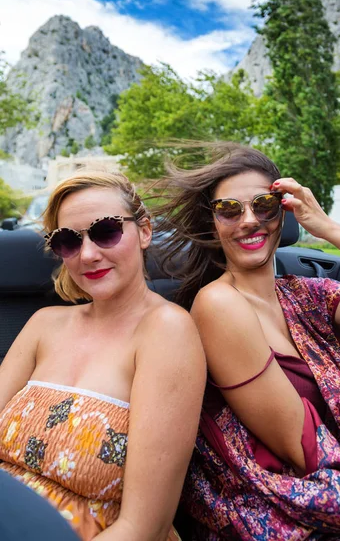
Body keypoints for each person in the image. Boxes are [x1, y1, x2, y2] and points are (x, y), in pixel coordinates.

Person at [155, 142, 340, 539]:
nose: (248, 220)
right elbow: (298, 448)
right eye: (230, 210)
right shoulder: (218, 304)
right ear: (213, 223)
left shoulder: (303, 294)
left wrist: (328, 228)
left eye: (264, 205)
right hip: (293, 499)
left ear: (283, 211)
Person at [0, 170, 206, 541]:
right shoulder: (43, 324)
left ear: (144, 231)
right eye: (68, 241)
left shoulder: (166, 333)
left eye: (106, 230)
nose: (89, 254)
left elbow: (145, 527)